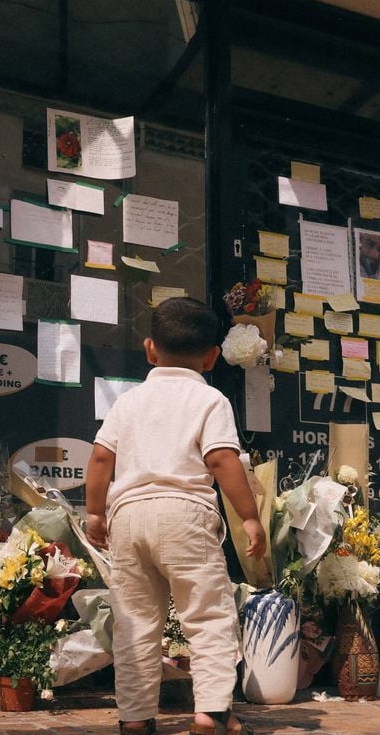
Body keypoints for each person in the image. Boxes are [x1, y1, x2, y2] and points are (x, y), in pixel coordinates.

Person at [85, 297, 267, 735]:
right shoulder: (210, 399)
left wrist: (94, 513)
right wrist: (250, 517)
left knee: (134, 624)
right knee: (207, 617)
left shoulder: (128, 401)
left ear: (150, 349)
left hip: (128, 517)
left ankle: (134, 718)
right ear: (212, 357)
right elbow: (223, 460)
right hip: (186, 517)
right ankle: (210, 711)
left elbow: (99, 459)